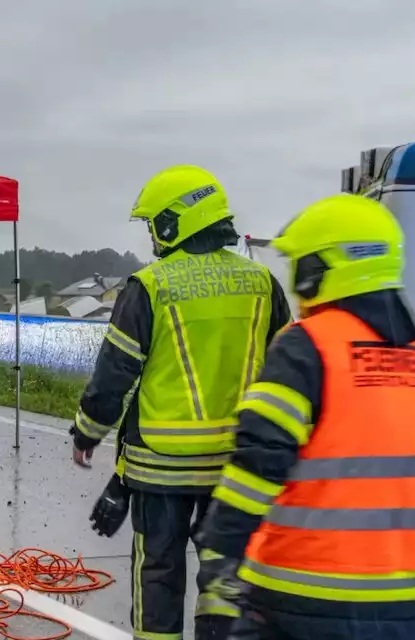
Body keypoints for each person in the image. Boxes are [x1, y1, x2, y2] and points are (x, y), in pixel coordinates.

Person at [194, 194, 415, 640]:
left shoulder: (306, 347)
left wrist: (221, 552)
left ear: (318, 272)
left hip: (298, 595)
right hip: (406, 604)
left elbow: (258, 463)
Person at [69, 165, 292, 640]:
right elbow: (285, 371)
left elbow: (115, 377)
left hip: (162, 469)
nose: (152, 236)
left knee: (158, 577)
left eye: (154, 224)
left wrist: (88, 431)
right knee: (224, 579)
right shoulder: (264, 284)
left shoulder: (149, 286)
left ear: (174, 223)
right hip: (236, 467)